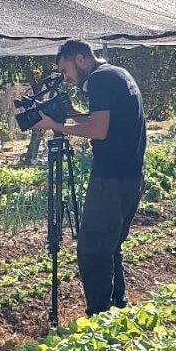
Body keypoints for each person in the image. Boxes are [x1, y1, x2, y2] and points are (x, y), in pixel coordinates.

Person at [31, 39, 146, 316]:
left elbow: (99, 130)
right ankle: (117, 305)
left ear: (80, 59)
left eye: (65, 69)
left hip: (111, 177)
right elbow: (104, 120)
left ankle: (99, 314)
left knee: (92, 248)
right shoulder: (118, 74)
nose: (65, 78)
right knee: (110, 243)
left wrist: (54, 125)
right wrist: (70, 114)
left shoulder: (100, 80)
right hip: (131, 176)